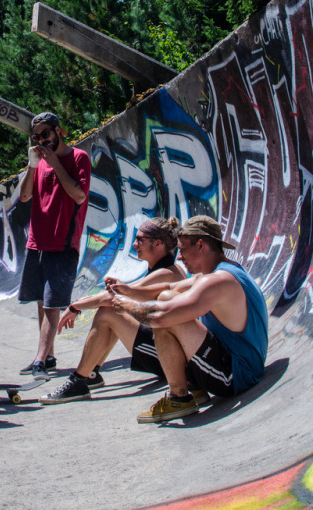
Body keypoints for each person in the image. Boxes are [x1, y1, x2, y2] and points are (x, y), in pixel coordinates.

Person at [111, 215, 269, 423]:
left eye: (183, 250)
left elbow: (160, 317)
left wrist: (124, 305)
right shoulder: (221, 272)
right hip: (239, 364)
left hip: (236, 376)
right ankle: (195, 389)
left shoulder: (217, 281)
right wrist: (128, 289)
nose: (179, 258)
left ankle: (179, 398)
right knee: (168, 298)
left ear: (201, 245)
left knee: (167, 315)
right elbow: (170, 288)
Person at [39, 216, 186, 404]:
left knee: (109, 312)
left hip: (167, 358)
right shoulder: (165, 269)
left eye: (140, 239)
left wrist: (75, 306)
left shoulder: (165, 273)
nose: (134, 244)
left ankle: (78, 381)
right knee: (118, 310)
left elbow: (114, 297)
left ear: (158, 243)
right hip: (163, 350)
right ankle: (91, 372)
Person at [17, 112, 92, 380]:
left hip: (63, 241)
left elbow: (79, 194)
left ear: (59, 131)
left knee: (51, 304)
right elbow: (24, 196)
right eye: (36, 136)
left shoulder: (78, 158)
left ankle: (38, 359)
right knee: (41, 300)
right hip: (37, 241)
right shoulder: (39, 164)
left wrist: (54, 161)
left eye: (46, 134)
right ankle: (47, 357)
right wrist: (32, 165)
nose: (41, 140)